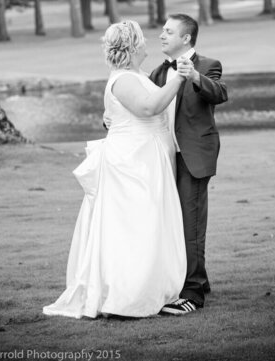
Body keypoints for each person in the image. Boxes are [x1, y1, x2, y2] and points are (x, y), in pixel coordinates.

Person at [43, 20, 189, 319]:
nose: (150, 42)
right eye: (143, 39)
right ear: (133, 45)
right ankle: (127, 297)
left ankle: (151, 288)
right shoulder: (122, 79)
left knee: (149, 226)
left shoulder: (136, 75)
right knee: (134, 228)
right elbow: (148, 108)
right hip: (132, 162)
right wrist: (179, 79)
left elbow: (123, 112)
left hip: (146, 157)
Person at [149, 13, 228, 315]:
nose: (162, 35)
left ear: (186, 38)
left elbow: (220, 93)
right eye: (162, 31)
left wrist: (195, 76)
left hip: (194, 156)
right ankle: (200, 279)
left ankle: (192, 295)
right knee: (172, 223)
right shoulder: (157, 72)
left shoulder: (209, 65)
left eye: (168, 31)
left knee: (190, 225)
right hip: (165, 158)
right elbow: (145, 106)